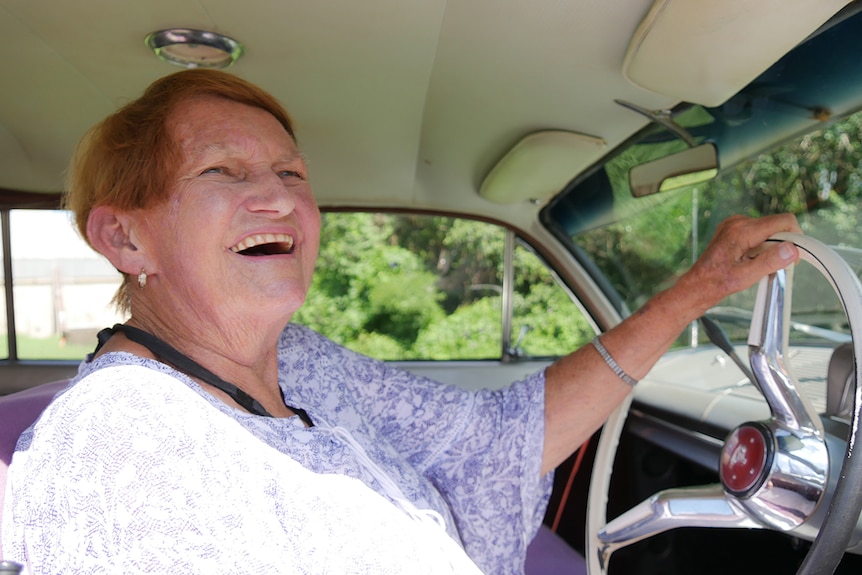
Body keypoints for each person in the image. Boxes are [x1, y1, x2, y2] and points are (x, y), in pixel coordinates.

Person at [0, 69, 802, 574]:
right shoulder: (124, 440)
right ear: (123, 235)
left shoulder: (299, 363)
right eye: (223, 171)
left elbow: (498, 440)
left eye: (291, 172)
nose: (279, 196)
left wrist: (697, 289)